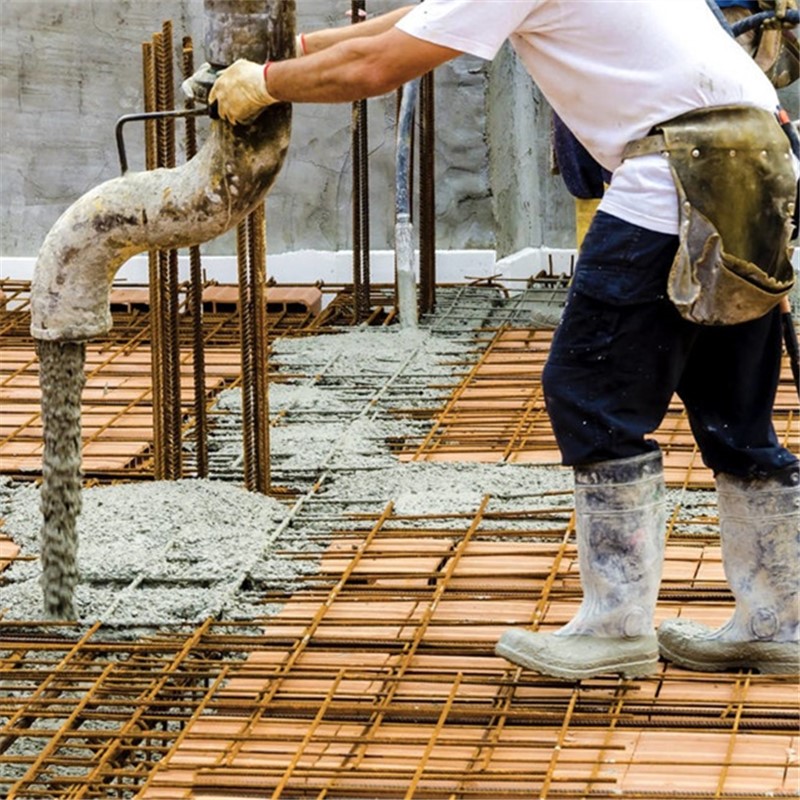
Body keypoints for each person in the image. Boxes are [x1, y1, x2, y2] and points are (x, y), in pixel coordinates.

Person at [209, 0, 800, 679]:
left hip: (675, 175)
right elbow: (413, 22)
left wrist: (268, 83)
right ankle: (778, 620)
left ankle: (614, 629)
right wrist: (298, 47)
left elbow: (377, 64)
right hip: (759, 165)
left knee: (590, 397)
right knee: (734, 409)